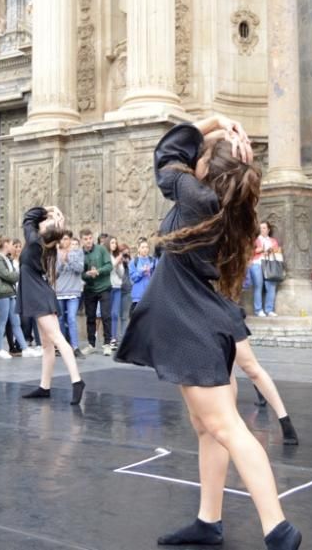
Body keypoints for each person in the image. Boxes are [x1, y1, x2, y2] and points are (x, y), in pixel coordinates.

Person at [116, 116, 302, 550]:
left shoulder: (198, 200)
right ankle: (209, 520)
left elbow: (166, 155)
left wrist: (215, 125)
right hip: (200, 318)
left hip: (188, 322)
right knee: (207, 427)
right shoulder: (230, 209)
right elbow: (180, 157)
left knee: (227, 427)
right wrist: (223, 147)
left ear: (207, 172)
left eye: (201, 160)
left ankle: (278, 529)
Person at [19, 206, 86, 405]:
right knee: (47, 344)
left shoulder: (34, 241)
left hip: (38, 294)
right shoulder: (44, 243)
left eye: (46, 222)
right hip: (38, 291)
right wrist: (57, 221)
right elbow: (36, 223)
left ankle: (77, 380)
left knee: (56, 339)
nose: (44, 220)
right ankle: (44, 386)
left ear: (43, 232)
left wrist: (48, 210)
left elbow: (28, 218)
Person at [0, 236, 41, 359]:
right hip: (1, 293)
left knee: (16, 322)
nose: (13, 246)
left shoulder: (6, 259)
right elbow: (8, 276)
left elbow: (10, 276)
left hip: (10, 292)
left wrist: (15, 274)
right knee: (2, 321)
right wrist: (20, 273)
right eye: (11, 243)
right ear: (5, 244)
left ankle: (24, 348)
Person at [80, 228, 113, 355]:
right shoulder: (80, 254)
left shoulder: (101, 249)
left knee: (106, 316)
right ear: (82, 240)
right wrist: (88, 274)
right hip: (89, 288)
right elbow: (81, 274)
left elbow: (109, 266)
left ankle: (107, 344)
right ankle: (91, 344)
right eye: (85, 239)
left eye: (90, 238)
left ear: (92, 238)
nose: (88, 241)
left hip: (104, 287)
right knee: (90, 317)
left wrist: (98, 271)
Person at [55, 233, 85, 357]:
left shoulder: (78, 253)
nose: (65, 241)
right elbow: (55, 273)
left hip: (73, 291)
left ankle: (75, 346)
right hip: (60, 291)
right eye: (62, 239)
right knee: (60, 319)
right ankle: (62, 346)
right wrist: (62, 263)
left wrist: (69, 260)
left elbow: (80, 269)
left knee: (72, 318)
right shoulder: (55, 253)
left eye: (67, 239)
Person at [249, 221, 281, 317]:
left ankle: (269, 309)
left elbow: (277, 250)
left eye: (264, 228)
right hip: (257, 264)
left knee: (271, 287)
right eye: (260, 228)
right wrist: (262, 250)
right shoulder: (255, 240)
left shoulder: (273, 240)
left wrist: (271, 250)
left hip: (270, 264)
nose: (262, 229)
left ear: (268, 229)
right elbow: (250, 251)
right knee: (258, 286)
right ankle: (258, 310)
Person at [108, 236, 125, 355]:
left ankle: (114, 338)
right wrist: (115, 263)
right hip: (107, 287)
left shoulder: (116, 256)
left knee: (115, 313)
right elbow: (107, 269)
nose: (114, 244)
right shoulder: (105, 256)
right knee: (107, 314)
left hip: (117, 287)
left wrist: (119, 264)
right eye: (112, 242)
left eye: (115, 242)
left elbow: (121, 274)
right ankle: (108, 338)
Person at [129, 238, 156, 313]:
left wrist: (150, 272)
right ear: (138, 249)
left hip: (150, 295)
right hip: (138, 296)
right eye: (142, 247)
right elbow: (133, 278)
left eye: (147, 247)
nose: (145, 249)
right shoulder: (133, 262)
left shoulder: (153, 260)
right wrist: (141, 272)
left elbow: (157, 276)